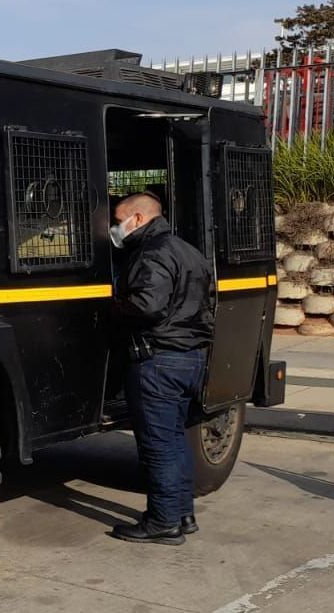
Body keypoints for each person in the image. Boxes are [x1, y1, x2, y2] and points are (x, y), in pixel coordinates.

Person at [107, 192, 214, 545]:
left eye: (118, 219)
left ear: (137, 219)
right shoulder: (188, 251)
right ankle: (183, 514)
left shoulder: (151, 254)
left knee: (157, 445)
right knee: (175, 440)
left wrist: (114, 307)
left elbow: (147, 305)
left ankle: (163, 521)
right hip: (190, 356)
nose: (114, 227)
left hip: (158, 360)